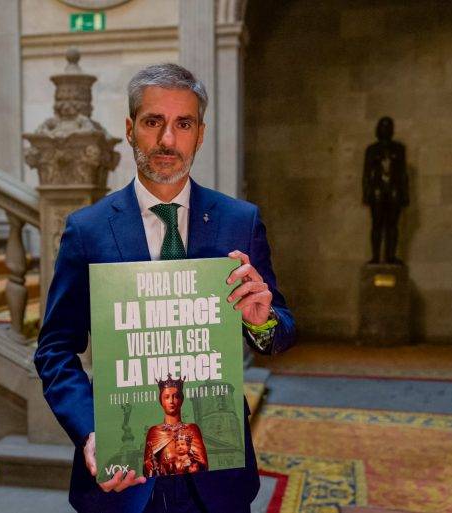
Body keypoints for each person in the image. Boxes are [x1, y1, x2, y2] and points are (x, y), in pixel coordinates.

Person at [34, 63, 296, 513]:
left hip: (216, 475)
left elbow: (281, 330)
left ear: (201, 133)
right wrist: (91, 429)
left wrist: (262, 319)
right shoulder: (88, 230)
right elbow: (55, 349)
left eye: (183, 124)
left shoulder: (239, 221)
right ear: (131, 130)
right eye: (154, 122)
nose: (168, 140)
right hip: (124, 474)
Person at [362, 116, 409, 264]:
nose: (386, 129)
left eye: (388, 126)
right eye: (383, 126)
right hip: (377, 190)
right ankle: (376, 256)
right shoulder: (372, 149)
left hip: (394, 190)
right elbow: (366, 173)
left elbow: (403, 173)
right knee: (377, 224)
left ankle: (391, 256)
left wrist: (405, 193)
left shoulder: (399, 149)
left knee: (392, 225)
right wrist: (366, 192)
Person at [143, 375, 208, 477]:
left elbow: (203, 464)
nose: (171, 401)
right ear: (161, 401)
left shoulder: (192, 429)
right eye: (167, 397)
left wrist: (196, 466)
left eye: (176, 396)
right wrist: (149, 465)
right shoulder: (154, 432)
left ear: (181, 400)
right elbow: (147, 470)